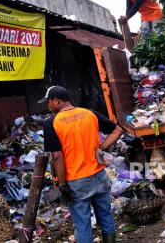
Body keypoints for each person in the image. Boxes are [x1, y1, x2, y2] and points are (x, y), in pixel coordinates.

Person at [40, 86, 123, 243]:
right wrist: (101, 149)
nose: (48, 106)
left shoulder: (52, 123)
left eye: (49, 102)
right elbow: (117, 130)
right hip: (99, 175)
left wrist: (63, 185)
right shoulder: (89, 113)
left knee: (83, 225)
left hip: (76, 181)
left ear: (56, 101)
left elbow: (57, 157)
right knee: (106, 216)